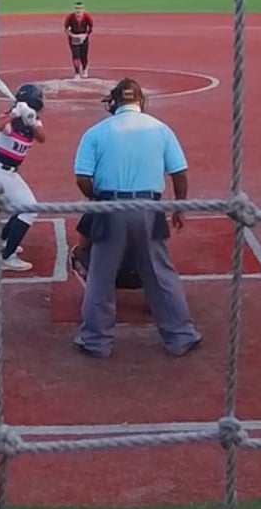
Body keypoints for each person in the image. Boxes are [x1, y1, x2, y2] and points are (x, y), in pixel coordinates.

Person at [70, 78, 201, 359]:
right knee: (160, 273)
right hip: (149, 207)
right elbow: (179, 173)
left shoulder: (96, 132)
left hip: (110, 207)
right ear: (141, 101)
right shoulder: (161, 129)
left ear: (114, 102)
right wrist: (179, 207)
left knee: (101, 276)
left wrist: (97, 200)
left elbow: (82, 178)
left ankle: (96, 341)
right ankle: (180, 336)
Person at [0, 82, 47, 273]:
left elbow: (42, 138)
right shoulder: (10, 119)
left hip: (8, 173)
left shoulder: (32, 119)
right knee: (29, 208)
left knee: (24, 205)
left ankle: (0, 240)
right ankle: (7, 257)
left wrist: (31, 120)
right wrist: (15, 114)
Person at [64, 2, 93, 79]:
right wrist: (73, 36)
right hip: (74, 38)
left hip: (84, 38)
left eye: (80, 9)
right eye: (76, 9)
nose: (78, 10)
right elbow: (66, 29)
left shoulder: (87, 17)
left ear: (83, 9)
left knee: (84, 55)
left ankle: (84, 68)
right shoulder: (70, 17)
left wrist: (85, 35)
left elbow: (90, 28)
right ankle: (77, 72)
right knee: (76, 55)